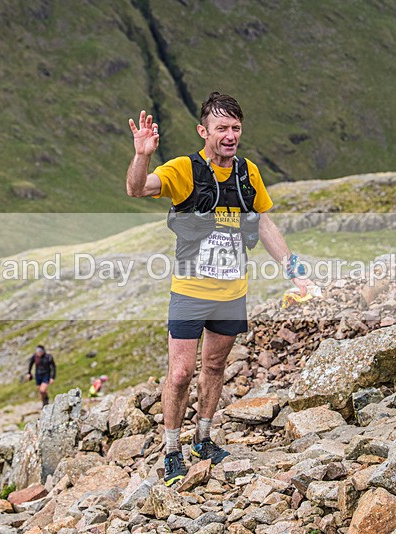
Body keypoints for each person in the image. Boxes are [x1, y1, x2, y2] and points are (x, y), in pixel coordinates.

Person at [126, 92, 314, 486]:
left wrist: (295, 272)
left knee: (214, 367)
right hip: (190, 292)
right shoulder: (183, 170)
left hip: (231, 293)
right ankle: (172, 447)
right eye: (221, 128)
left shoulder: (248, 173)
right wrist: (143, 153)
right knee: (179, 374)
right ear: (203, 131)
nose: (229, 136)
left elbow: (264, 224)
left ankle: (204, 438)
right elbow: (137, 188)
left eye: (235, 128)